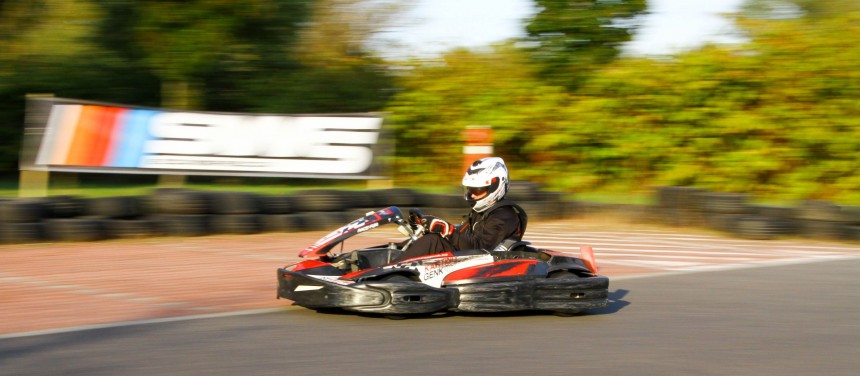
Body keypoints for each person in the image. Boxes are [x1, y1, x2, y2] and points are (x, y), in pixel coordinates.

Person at [393, 157, 528, 262]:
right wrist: (431, 225)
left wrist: (446, 229)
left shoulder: (504, 215)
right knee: (430, 237)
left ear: (495, 186)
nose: (472, 194)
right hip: (469, 258)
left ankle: (390, 271)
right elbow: (463, 234)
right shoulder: (482, 212)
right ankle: (390, 254)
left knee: (433, 241)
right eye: (470, 189)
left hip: (485, 264)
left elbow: (479, 247)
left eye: (477, 190)